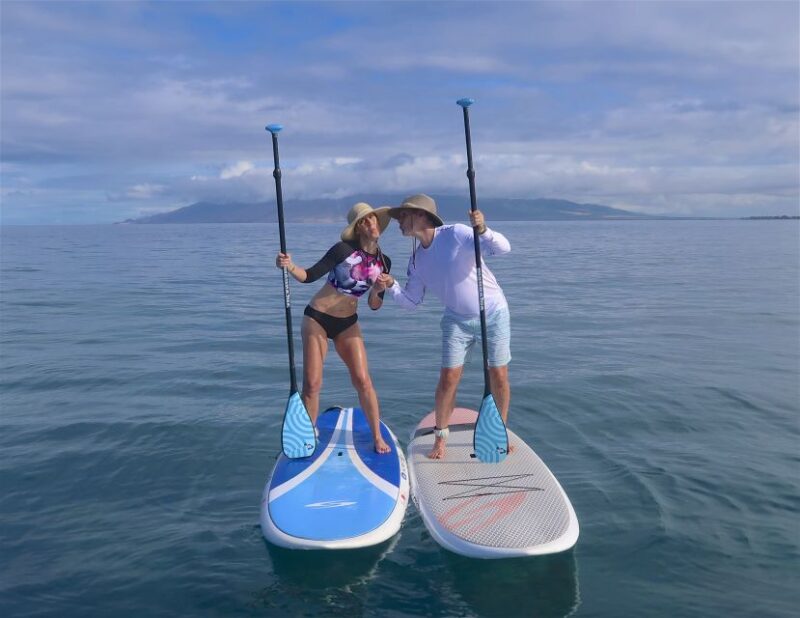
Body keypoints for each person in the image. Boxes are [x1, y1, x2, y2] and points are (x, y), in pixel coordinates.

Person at [373, 194, 511, 459]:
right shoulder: (416, 260)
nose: (399, 222)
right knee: (448, 379)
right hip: (455, 319)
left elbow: (503, 248)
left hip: (492, 313)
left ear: (421, 216)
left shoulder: (457, 234)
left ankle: (499, 431)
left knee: (499, 376)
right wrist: (392, 286)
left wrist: (483, 229)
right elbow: (412, 302)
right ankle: (440, 438)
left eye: (404, 216)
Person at [275, 202, 392, 453]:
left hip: (347, 323)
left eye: (373, 219)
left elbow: (373, 305)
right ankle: (308, 434)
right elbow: (309, 275)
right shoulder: (343, 250)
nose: (371, 224)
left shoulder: (384, 262)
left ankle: (377, 437)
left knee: (363, 380)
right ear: (358, 228)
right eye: (365, 221)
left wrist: (379, 290)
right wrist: (288, 265)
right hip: (317, 317)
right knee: (313, 384)